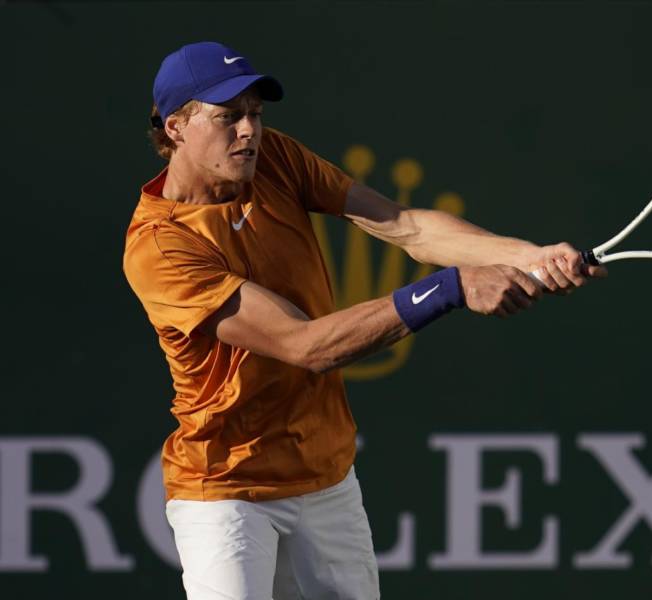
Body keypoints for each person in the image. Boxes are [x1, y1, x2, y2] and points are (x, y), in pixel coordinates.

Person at [123, 41, 606, 600]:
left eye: (255, 113)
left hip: (325, 476)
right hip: (226, 488)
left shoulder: (274, 158)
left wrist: (529, 256)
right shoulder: (160, 247)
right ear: (176, 127)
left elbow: (404, 225)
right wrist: (450, 287)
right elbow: (305, 345)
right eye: (228, 117)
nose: (249, 130)